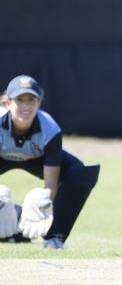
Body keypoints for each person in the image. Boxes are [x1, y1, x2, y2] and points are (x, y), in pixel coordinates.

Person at [0, 75, 100, 250]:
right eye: (19, 100)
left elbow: (51, 183)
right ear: (8, 103)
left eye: (31, 101)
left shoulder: (49, 129)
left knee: (81, 174)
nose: (25, 106)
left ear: (39, 104)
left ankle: (55, 237)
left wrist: (42, 200)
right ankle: (14, 227)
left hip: (37, 158)